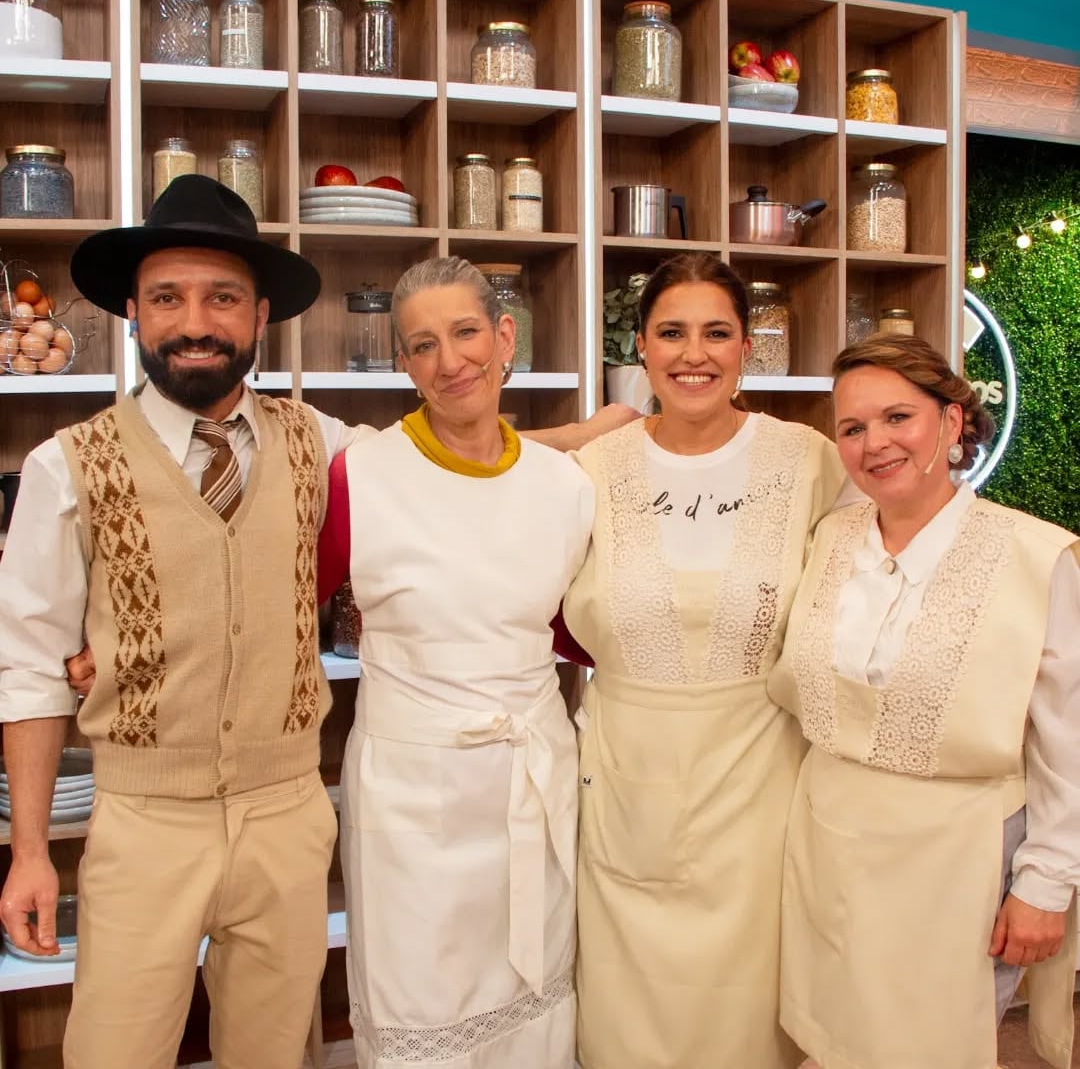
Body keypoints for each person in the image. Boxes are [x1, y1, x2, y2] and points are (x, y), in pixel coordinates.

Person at [0, 177, 620, 1069]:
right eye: (168, 298)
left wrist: (598, 432)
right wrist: (29, 851)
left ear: (259, 318)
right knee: (113, 1050)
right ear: (132, 313)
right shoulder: (66, 466)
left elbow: (447, 458)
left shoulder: (318, 443)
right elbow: (25, 665)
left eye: (222, 298)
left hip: (288, 815)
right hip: (143, 818)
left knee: (275, 1051)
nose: (195, 322)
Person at [561, 252, 847, 1068]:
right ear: (640, 348)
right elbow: (483, 477)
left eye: (717, 332)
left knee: (748, 1020)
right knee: (626, 1018)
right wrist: (577, 433)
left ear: (747, 345)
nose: (694, 354)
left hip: (763, 793)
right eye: (672, 333)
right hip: (624, 788)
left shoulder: (808, 460)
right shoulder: (592, 470)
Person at [768, 334, 1079, 1069]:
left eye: (897, 417)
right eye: (852, 427)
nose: (875, 443)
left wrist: (1046, 883)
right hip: (828, 847)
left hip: (959, 865)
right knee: (834, 1043)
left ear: (951, 421)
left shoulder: (1039, 559)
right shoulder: (828, 538)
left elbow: (1068, 743)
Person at [315, 256, 594, 1067]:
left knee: (535, 1008)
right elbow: (292, 610)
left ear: (504, 338)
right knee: (420, 1016)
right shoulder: (359, 477)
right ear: (405, 364)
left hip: (531, 784)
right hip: (413, 803)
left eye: (466, 332)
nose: (451, 361)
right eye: (423, 345)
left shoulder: (564, 485)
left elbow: (573, 629)